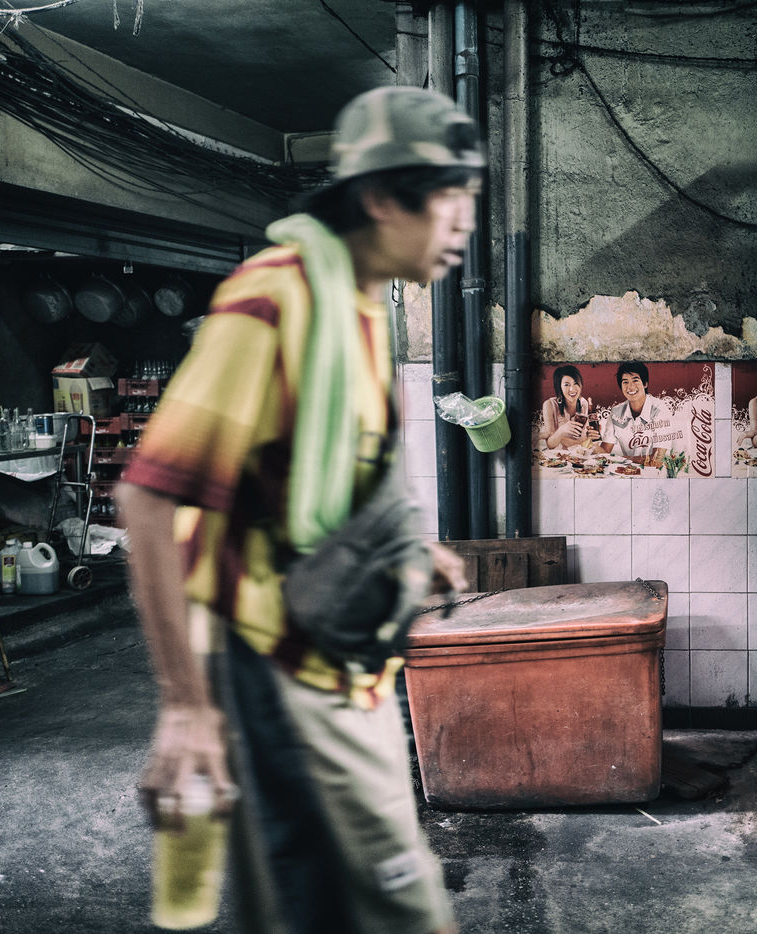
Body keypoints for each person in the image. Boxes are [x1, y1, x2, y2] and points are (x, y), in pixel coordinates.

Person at [116, 86, 480, 934]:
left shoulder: (356, 305)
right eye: (451, 194)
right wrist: (186, 707)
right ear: (385, 198)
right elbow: (146, 495)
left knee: (310, 906)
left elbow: (308, 491)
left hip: (343, 665)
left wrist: (406, 556)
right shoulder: (273, 300)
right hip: (282, 673)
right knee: (399, 910)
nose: (464, 220)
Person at [598, 361, 668, 466]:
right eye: (625, 382)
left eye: (635, 381)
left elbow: (657, 460)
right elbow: (603, 454)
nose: (630, 387)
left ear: (645, 384)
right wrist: (589, 441)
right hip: (627, 473)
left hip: (657, 475)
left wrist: (620, 458)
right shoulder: (616, 413)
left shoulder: (659, 409)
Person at [540, 364, 598, 450]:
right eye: (567, 385)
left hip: (578, 452)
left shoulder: (583, 403)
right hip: (557, 455)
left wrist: (590, 435)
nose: (572, 389)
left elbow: (582, 438)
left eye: (575, 383)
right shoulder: (549, 405)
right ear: (559, 387)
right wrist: (561, 431)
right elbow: (550, 444)